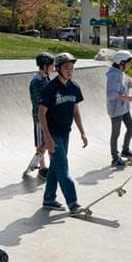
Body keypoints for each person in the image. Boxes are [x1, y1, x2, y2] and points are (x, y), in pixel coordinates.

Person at [38, 52, 88, 213]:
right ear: (58, 68)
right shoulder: (50, 88)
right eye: (66, 67)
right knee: (63, 168)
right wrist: (47, 138)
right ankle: (73, 203)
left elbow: (76, 111)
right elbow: (41, 113)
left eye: (72, 68)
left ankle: (49, 199)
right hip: (53, 135)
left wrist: (82, 132)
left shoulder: (74, 87)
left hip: (66, 133)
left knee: (56, 166)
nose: (70, 70)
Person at [25, 52, 54, 179]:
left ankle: (50, 166)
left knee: (48, 141)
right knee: (40, 141)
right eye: (51, 66)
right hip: (39, 117)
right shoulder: (36, 81)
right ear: (44, 66)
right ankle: (42, 168)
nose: (53, 69)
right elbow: (38, 102)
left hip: (49, 116)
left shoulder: (46, 78)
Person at [106, 49, 132, 167]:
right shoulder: (114, 75)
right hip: (116, 110)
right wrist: (126, 97)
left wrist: (129, 84)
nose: (130, 65)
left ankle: (125, 149)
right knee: (116, 133)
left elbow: (122, 86)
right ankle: (115, 157)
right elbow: (111, 94)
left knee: (131, 127)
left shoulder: (120, 72)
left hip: (124, 108)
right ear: (122, 63)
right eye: (129, 62)